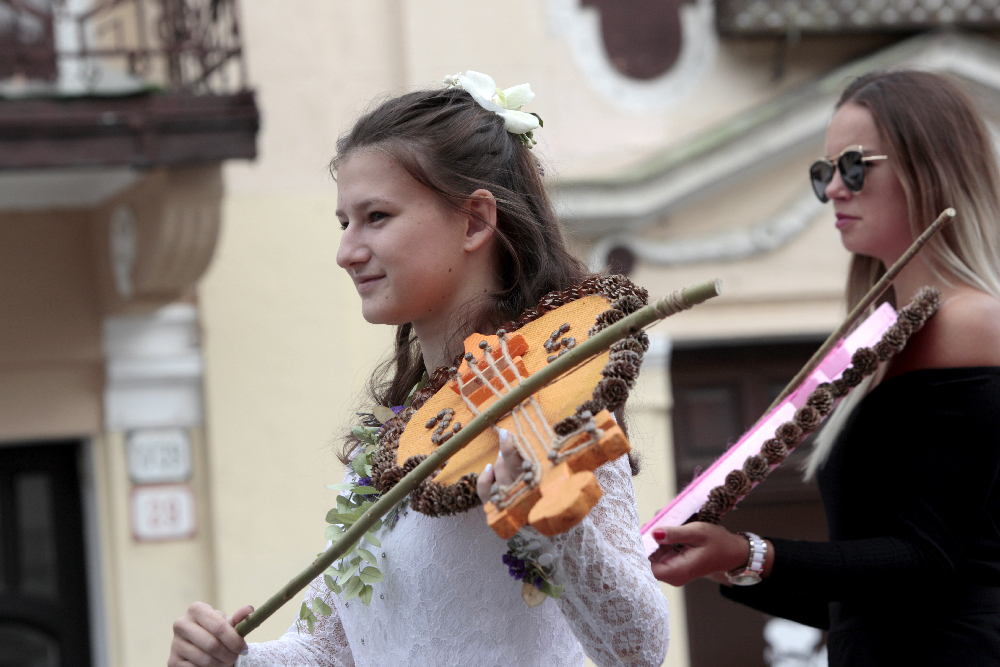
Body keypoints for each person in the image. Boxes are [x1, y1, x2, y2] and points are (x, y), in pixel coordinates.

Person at [168, 72, 669, 667]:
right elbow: (335, 651)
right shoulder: (389, 440)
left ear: (475, 221)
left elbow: (639, 648)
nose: (346, 252)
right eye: (344, 223)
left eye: (376, 216)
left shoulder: (553, 399)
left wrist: (551, 517)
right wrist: (230, 660)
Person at [648, 70, 1000, 666]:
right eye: (824, 171)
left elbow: (924, 561)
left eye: (855, 166)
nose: (834, 188)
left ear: (929, 167)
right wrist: (731, 564)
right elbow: (864, 606)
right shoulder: (884, 334)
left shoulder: (970, 323)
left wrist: (750, 552)